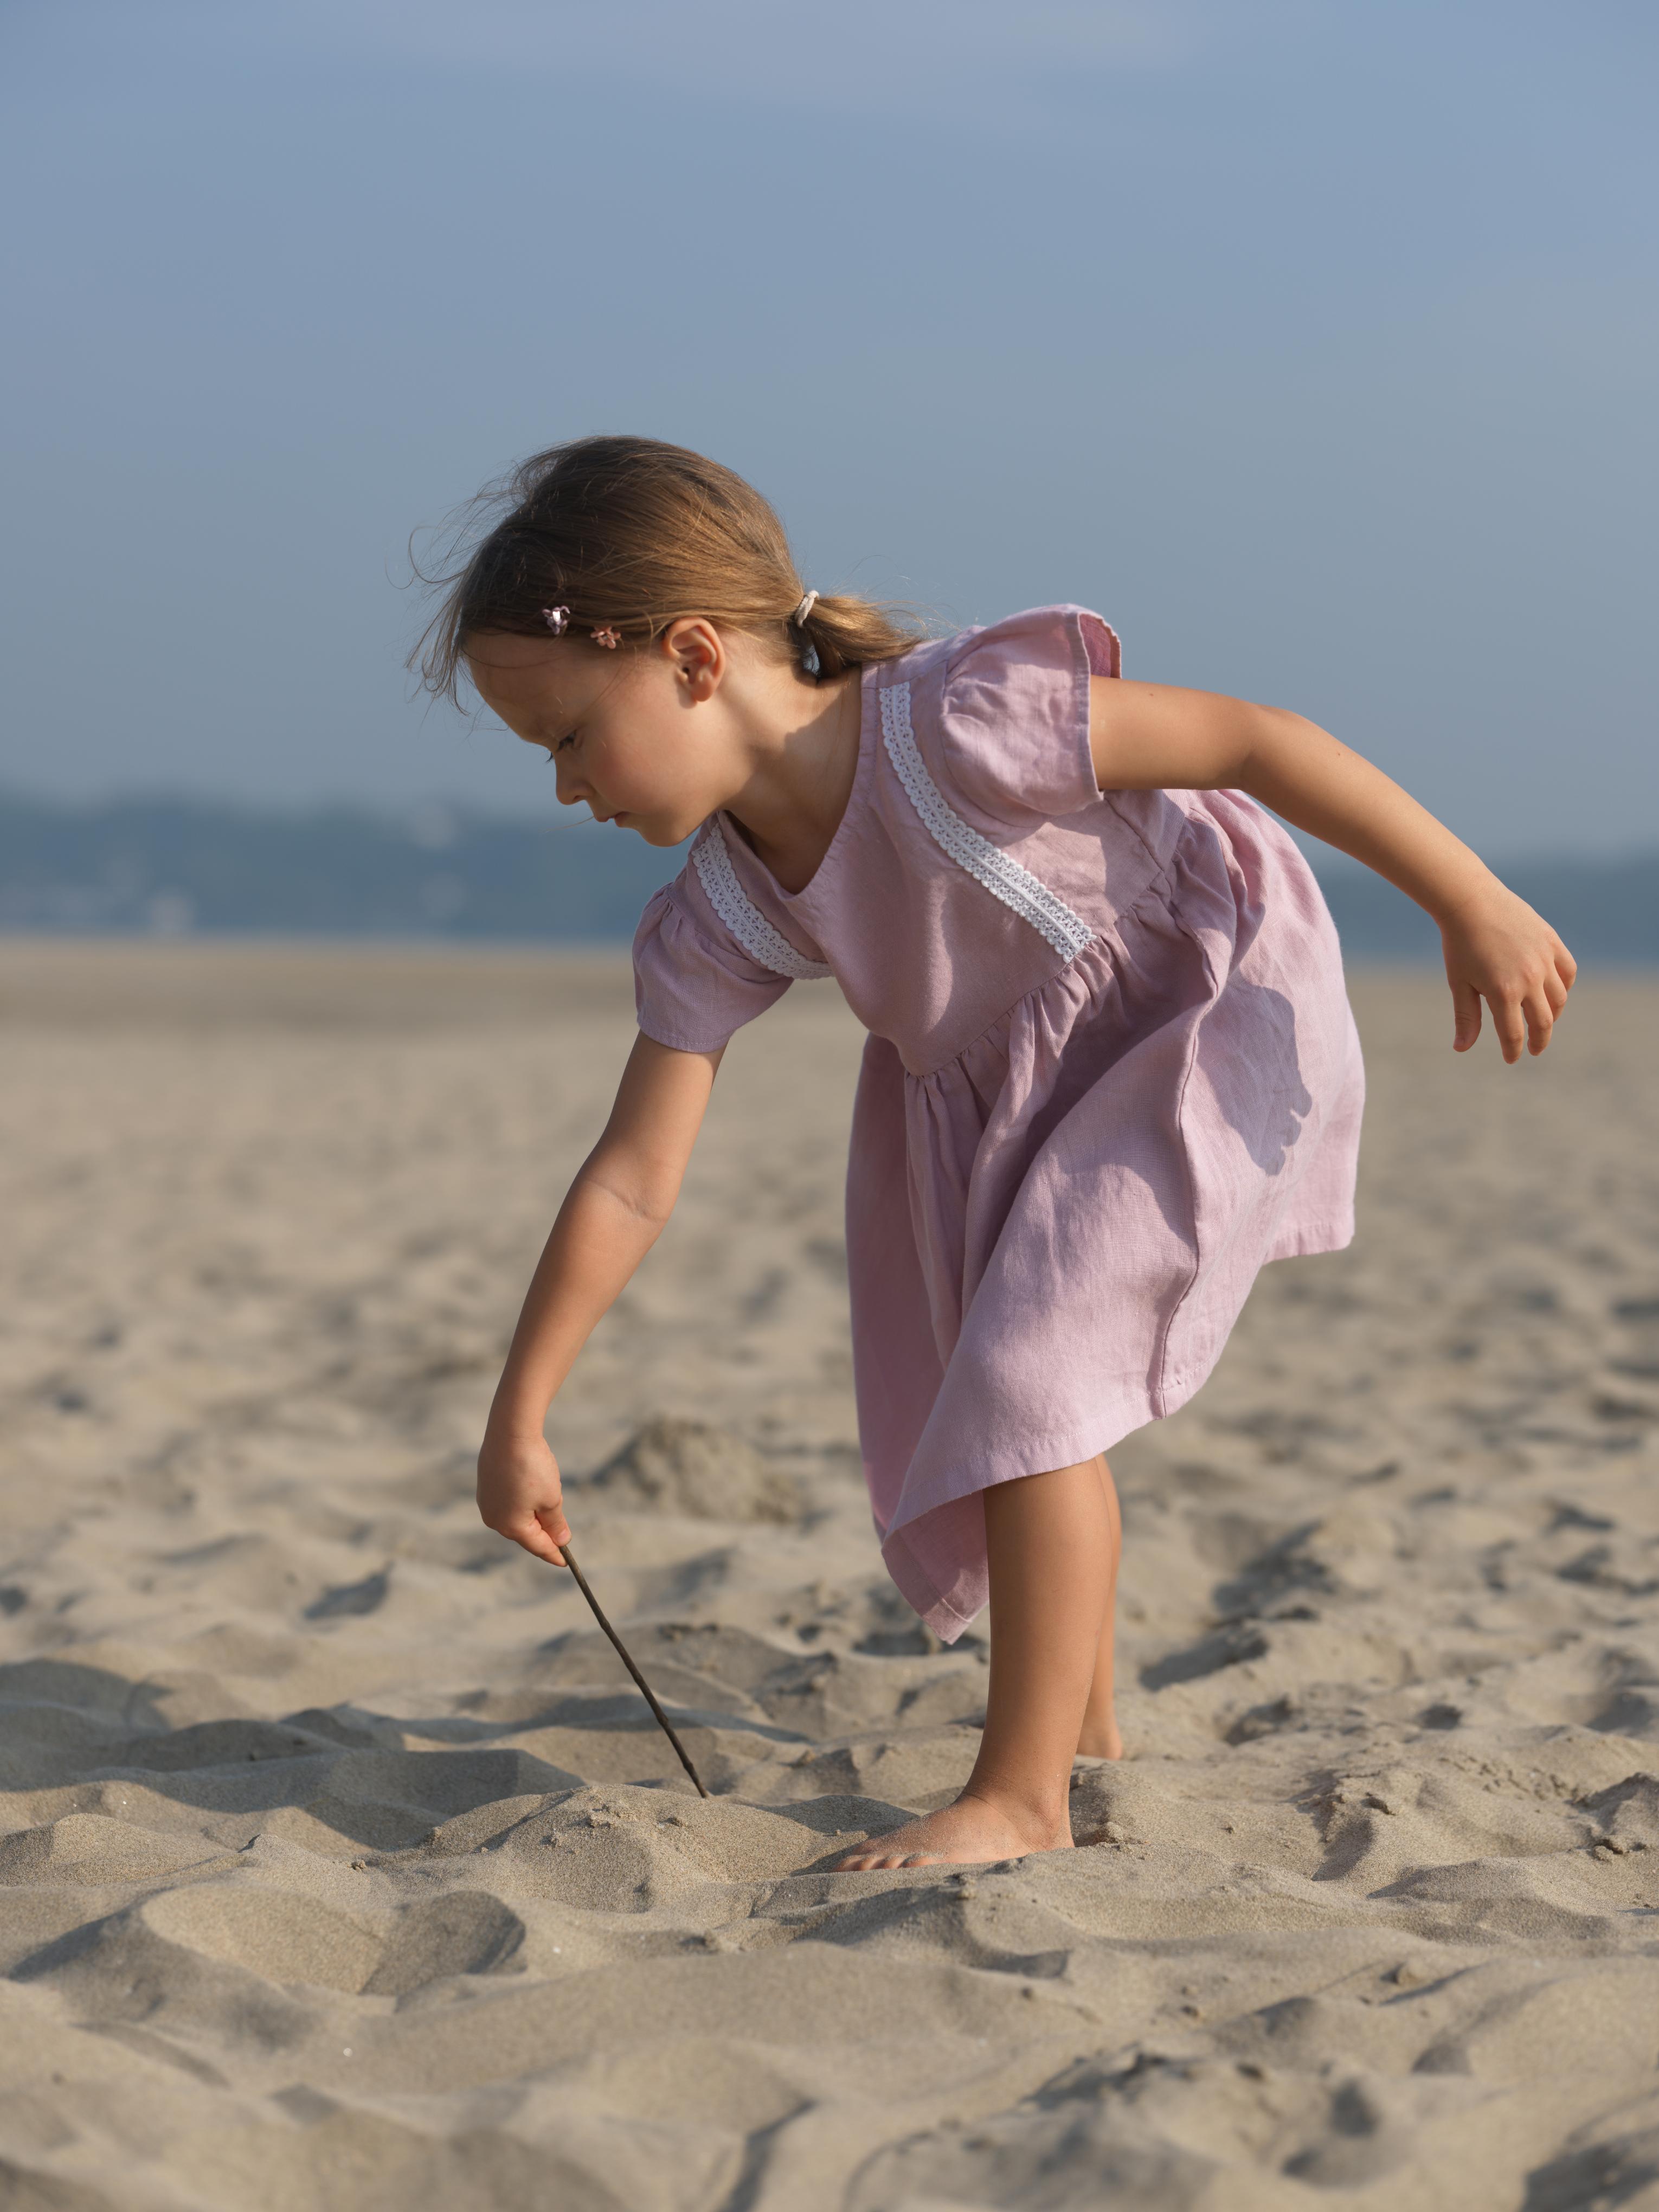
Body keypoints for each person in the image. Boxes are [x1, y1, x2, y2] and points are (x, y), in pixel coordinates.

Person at [415, 435, 1576, 1871]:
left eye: (568, 736)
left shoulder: (954, 726)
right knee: (1012, 1413)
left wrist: (1470, 900)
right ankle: (1079, 1743)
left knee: (1032, 1385)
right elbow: (631, 1172)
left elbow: (1257, 741)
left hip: (1180, 1018)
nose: (564, 787)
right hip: (994, 1107)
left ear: (694, 659)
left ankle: (1022, 1799)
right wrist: (521, 1406)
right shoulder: (718, 908)